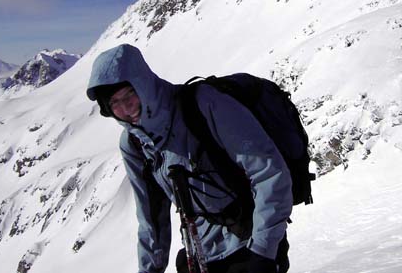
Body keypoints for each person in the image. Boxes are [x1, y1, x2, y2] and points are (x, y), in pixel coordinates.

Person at [86, 44, 292, 273]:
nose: (126, 108)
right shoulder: (134, 144)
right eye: (114, 103)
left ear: (143, 85)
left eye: (129, 95)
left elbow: (269, 172)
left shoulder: (204, 104)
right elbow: (151, 217)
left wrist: (263, 252)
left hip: (250, 242)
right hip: (201, 253)